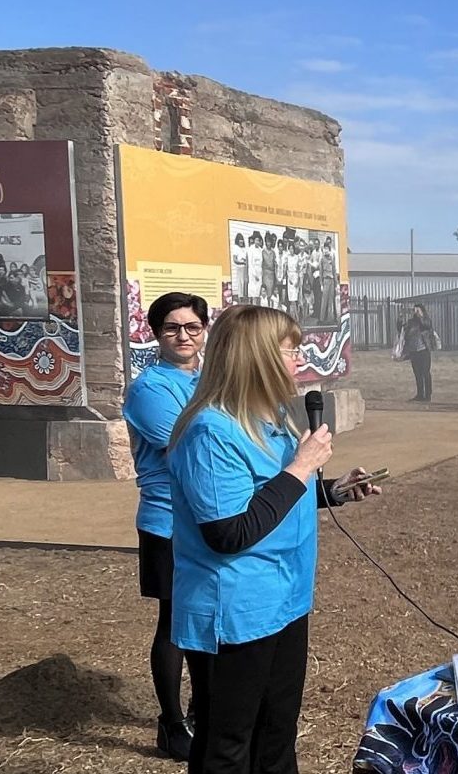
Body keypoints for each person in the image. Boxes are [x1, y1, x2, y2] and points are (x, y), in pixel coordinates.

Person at [165, 305, 379, 774]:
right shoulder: (211, 431)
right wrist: (302, 466)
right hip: (237, 613)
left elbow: (272, 497)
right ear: (258, 358)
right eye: (290, 350)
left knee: (277, 732)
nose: (299, 361)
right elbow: (229, 532)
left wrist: (331, 490)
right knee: (229, 742)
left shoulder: (272, 419)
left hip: (285, 600)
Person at [123, 292, 211, 760]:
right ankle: (171, 723)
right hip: (168, 519)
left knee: (205, 616)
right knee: (174, 622)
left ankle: (203, 708)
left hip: (209, 515)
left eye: (192, 327)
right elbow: (189, 444)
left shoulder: (207, 380)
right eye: (172, 327)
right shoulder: (149, 389)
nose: (183, 336)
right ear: (156, 333)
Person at [397, 304, 435, 403]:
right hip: (414, 351)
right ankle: (420, 395)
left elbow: (425, 326)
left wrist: (420, 316)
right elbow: (401, 330)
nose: (416, 312)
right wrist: (400, 318)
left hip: (424, 350)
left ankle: (427, 395)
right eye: (415, 310)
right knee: (417, 374)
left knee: (425, 373)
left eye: (418, 310)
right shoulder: (411, 322)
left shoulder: (426, 320)